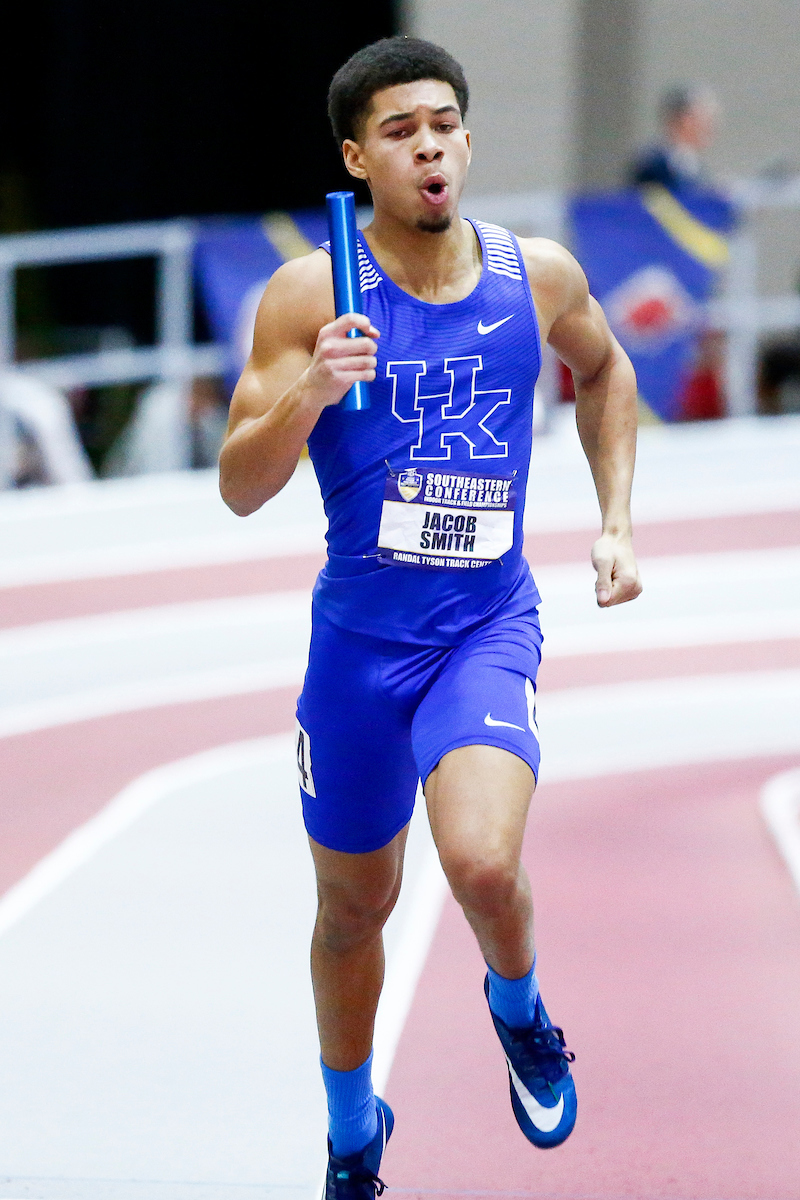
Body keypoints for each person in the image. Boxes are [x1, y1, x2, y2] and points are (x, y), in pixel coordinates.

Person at [220, 36, 642, 1198]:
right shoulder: (311, 294)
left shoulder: (534, 275)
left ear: (464, 139)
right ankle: (354, 1129)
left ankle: (519, 1009)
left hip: (480, 628)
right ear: (357, 158)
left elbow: (604, 373)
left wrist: (613, 520)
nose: (428, 147)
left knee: (482, 863)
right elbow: (239, 484)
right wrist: (310, 390)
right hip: (356, 654)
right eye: (399, 131)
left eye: (442, 124)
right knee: (353, 910)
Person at [629, 84, 720, 194]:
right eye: (704, 120)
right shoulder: (654, 163)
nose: (709, 128)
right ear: (685, 120)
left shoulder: (694, 165)